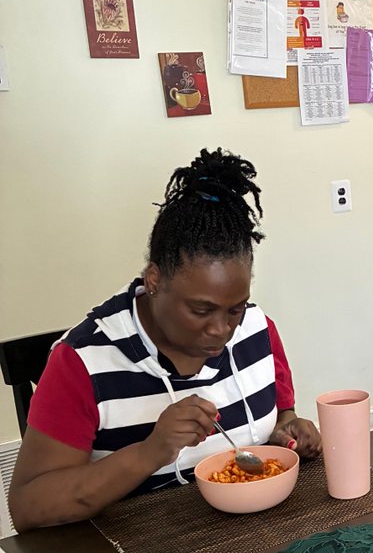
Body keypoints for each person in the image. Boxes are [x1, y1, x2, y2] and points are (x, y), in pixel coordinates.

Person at [10, 148, 321, 532]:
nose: (221, 330)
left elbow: (281, 416)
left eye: (234, 309)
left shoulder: (258, 329)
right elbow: (27, 508)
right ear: (154, 281)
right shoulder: (83, 362)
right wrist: (151, 451)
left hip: (252, 539)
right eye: (201, 310)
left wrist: (284, 431)